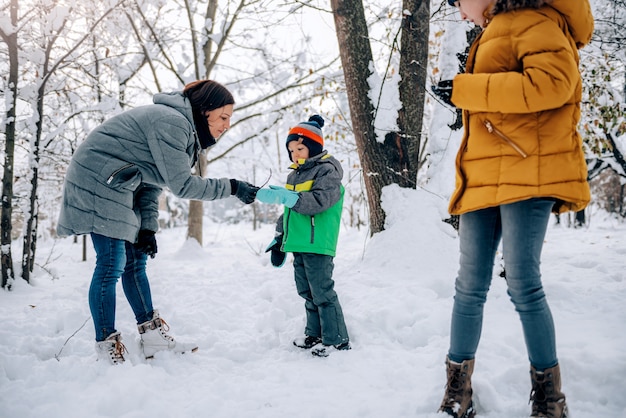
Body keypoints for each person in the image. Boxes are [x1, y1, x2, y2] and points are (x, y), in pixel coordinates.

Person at [431, 0, 593, 417]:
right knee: (468, 286)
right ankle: (457, 389)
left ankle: (549, 397)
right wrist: (460, 92)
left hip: (529, 170)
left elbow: (553, 83)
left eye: (458, 0)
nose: (457, 7)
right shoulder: (496, 26)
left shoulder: (537, 19)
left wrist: (465, 89)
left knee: (523, 284)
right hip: (484, 175)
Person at [57, 80, 259, 365]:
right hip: (97, 179)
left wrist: (148, 227)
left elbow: (153, 183)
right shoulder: (173, 122)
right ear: (204, 111)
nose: (227, 126)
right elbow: (182, 185)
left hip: (123, 182)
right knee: (112, 261)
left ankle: (152, 338)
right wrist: (233, 187)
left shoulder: (186, 133)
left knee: (136, 259)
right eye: (223, 117)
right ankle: (106, 346)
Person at [256, 115, 350, 357]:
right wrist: (280, 236)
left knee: (322, 291)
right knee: (306, 291)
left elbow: (320, 201)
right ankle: (315, 334)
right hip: (299, 241)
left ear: (314, 147)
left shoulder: (328, 171)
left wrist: (291, 198)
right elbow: (290, 211)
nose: (295, 153)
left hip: (318, 242)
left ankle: (336, 340)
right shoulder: (294, 175)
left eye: (300, 148)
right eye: (291, 150)